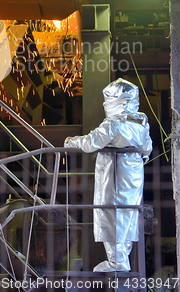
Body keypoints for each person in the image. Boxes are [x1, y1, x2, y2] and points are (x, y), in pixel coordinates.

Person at [64, 78, 152, 272]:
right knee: (127, 213)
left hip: (114, 173)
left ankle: (116, 261)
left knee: (110, 213)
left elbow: (90, 143)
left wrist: (72, 141)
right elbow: (147, 147)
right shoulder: (141, 121)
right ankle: (123, 258)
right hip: (134, 172)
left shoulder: (112, 125)